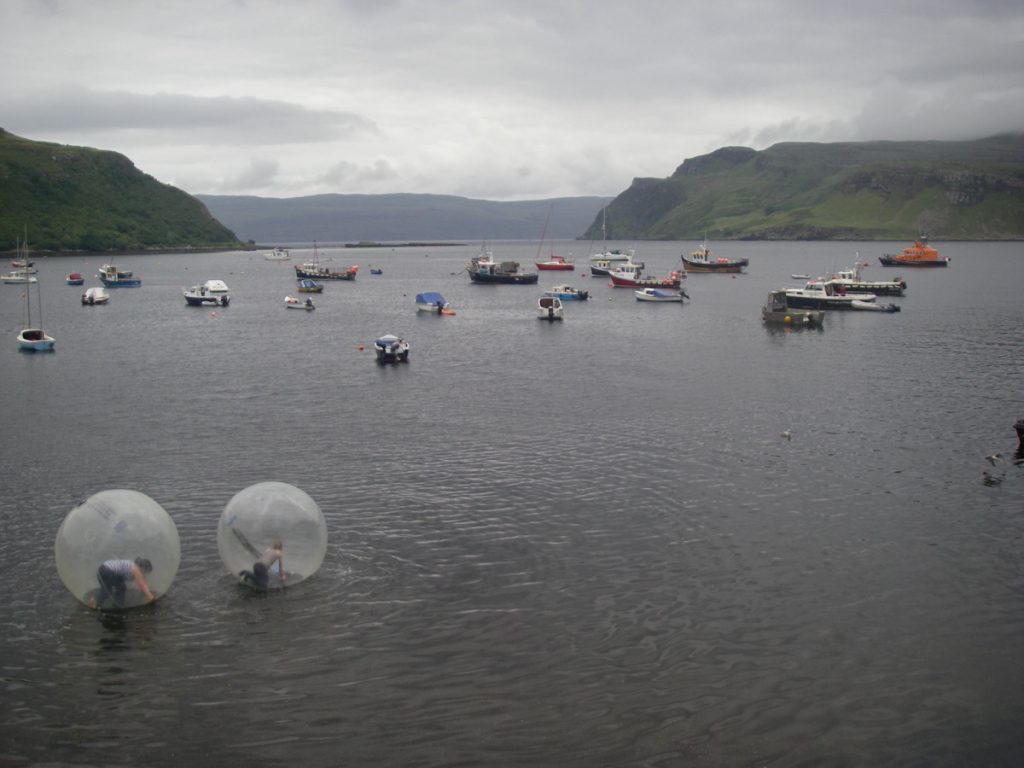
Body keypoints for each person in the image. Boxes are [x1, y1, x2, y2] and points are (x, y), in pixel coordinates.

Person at [88, 557, 156, 609]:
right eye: (146, 572)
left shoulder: (133, 567)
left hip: (101, 571)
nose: (145, 575)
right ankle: (117, 607)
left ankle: (95, 601)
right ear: (143, 568)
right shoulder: (136, 569)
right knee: (121, 588)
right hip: (107, 571)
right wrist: (152, 599)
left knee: (108, 590)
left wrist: (143, 592)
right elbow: (142, 585)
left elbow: (140, 583)